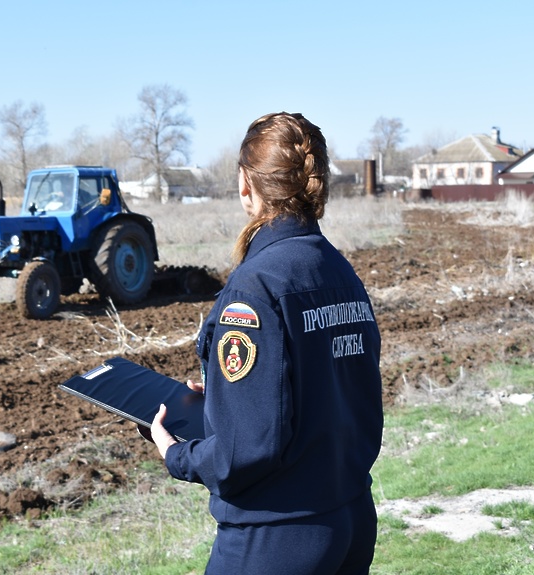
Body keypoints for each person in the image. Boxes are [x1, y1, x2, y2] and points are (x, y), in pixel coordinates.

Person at [150, 112, 384, 574]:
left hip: (277, 536)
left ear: (246, 185)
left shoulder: (254, 288)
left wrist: (177, 454)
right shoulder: (340, 272)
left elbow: (249, 448)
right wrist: (222, 399)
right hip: (350, 519)